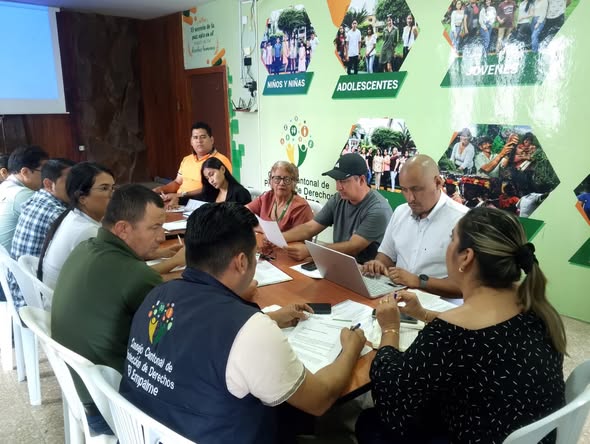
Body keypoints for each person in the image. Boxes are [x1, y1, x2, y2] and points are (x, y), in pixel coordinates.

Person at [119, 203, 366, 444]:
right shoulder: (250, 331)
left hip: (143, 433)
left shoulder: (157, 295)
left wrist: (271, 318)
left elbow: (199, 333)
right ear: (241, 262)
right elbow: (320, 400)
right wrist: (351, 348)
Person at [356, 207, 566, 443]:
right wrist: (423, 314)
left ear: (466, 257)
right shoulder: (536, 308)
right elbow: (486, 334)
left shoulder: (450, 334)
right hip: (533, 434)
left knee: (369, 423)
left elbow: (393, 400)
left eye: (452, 239)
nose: (448, 247)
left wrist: (390, 329)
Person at [52, 184, 185, 435]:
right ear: (123, 229)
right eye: (155, 227)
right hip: (112, 408)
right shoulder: (135, 275)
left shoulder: (86, 247)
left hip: (79, 388)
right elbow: (178, 335)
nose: (161, 236)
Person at [363, 155, 468, 298]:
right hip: (397, 297)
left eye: (416, 189)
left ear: (438, 183)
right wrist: (378, 265)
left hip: (441, 306)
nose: (410, 198)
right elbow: (386, 255)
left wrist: (419, 282)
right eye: (404, 190)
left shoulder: (462, 220)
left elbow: (466, 287)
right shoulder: (400, 212)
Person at [281, 153, 392, 264]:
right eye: (336, 181)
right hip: (338, 263)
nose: (338, 187)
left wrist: (310, 251)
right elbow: (310, 228)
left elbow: (353, 247)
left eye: (343, 181)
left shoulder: (378, 209)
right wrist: (279, 238)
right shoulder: (339, 198)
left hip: (365, 270)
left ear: (362, 180)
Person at [8, 158, 75, 308]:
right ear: (48, 184)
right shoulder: (56, 214)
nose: (76, 188)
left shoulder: (36, 198)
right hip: (36, 301)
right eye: (69, 182)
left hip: (19, 291)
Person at [153, 122, 232, 207]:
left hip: (201, 203)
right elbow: (177, 182)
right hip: (178, 201)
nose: (199, 141)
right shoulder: (186, 159)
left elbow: (211, 188)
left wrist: (180, 195)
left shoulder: (220, 160)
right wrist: (160, 189)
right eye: (195, 137)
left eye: (203, 137)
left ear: (212, 140)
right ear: (191, 141)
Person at [0, 145, 49, 252]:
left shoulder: (4, 186)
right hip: (14, 260)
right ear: (25, 172)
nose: (48, 176)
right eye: (44, 171)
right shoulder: (21, 195)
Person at [246, 161, 313, 232]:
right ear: (271, 181)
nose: (281, 183)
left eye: (287, 179)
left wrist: (267, 231)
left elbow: (301, 237)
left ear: (294, 183)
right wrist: (257, 227)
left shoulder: (301, 207)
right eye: (277, 178)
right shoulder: (267, 197)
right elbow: (242, 212)